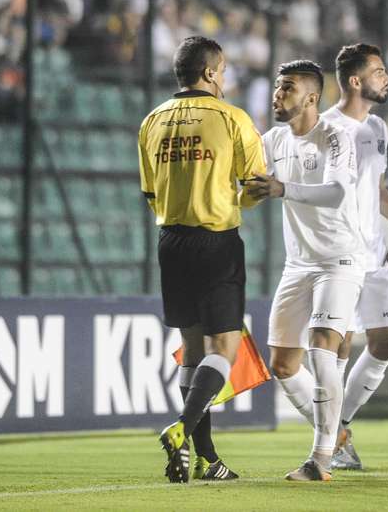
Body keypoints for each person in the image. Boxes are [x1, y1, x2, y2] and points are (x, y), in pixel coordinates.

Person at [138, 36, 266, 483]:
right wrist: (241, 196)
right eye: (224, 70)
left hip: (171, 242)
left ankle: (207, 459)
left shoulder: (152, 121)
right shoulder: (232, 118)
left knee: (192, 352)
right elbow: (255, 187)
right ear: (210, 72)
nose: (225, 78)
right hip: (216, 242)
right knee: (223, 350)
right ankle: (182, 429)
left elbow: (150, 190)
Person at [245, 60, 363, 482]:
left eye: (288, 88)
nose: (278, 95)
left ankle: (321, 459)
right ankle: (336, 434)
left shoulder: (335, 137)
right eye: (277, 88)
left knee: (321, 347)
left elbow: (335, 193)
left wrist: (280, 188)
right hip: (298, 264)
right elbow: (245, 178)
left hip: (340, 258)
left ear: (312, 97)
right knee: (282, 364)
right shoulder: (272, 140)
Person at [320, 43, 388, 470]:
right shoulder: (323, 129)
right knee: (337, 347)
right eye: (378, 71)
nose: (386, 77)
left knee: (386, 341)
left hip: (374, 255)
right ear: (355, 81)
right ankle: (330, 441)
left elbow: (375, 189)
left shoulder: (378, 127)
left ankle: (339, 424)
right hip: (338, 254)